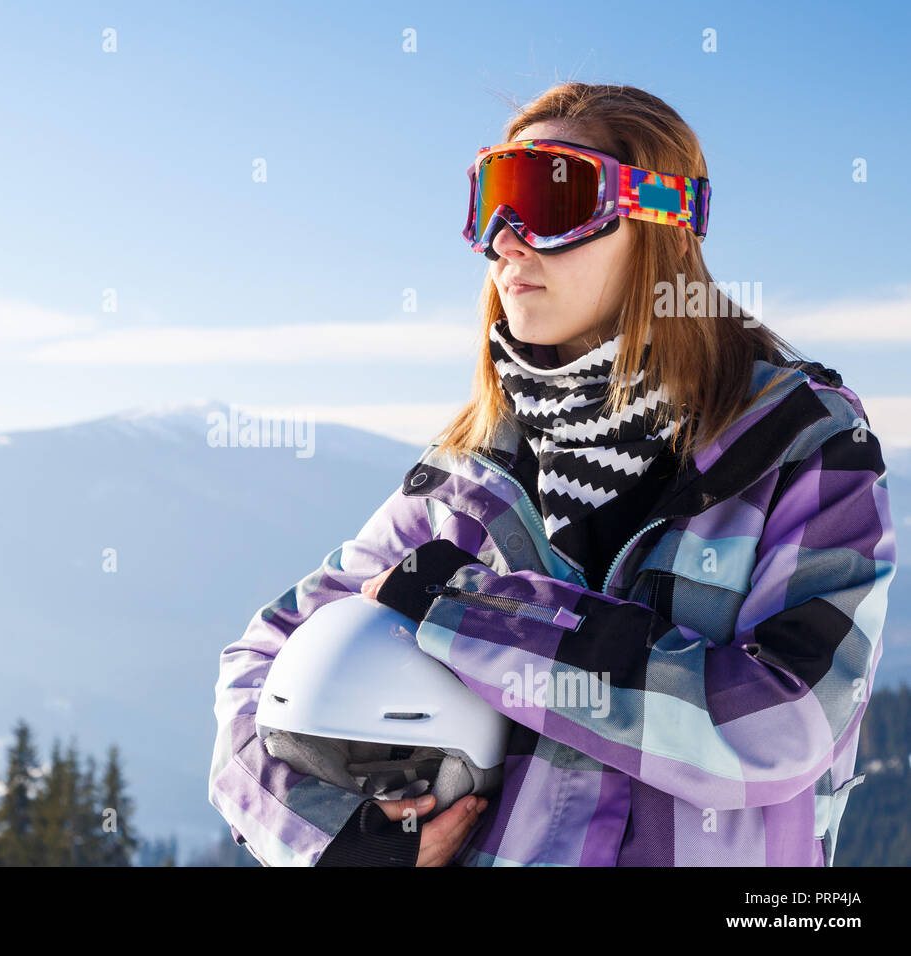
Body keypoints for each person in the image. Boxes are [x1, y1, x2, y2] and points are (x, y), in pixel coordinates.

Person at [207, 81, 896, 867]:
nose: (505, 239)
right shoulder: (468, 475)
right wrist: (346, 841)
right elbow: (260, 664)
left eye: (548, 197)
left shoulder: (799, 447)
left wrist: (472, 611)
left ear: (664, 227)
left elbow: (781, 726)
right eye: (490, 200)